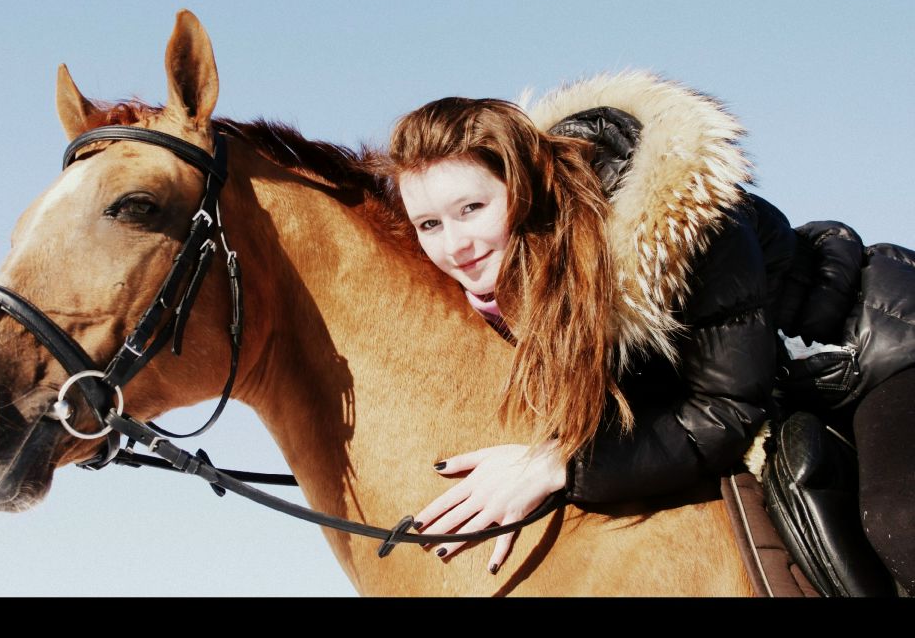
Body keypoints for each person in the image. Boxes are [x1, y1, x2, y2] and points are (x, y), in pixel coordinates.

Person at [372, 71, 914, 592]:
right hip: (786, 380)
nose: (455, 246)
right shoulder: (503, 286)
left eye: (472, 208)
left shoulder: (681, 229)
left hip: (877, 345)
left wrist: (560, 466)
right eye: (430, 225)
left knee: (899, 522)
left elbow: (726, 409)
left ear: (523, 187)